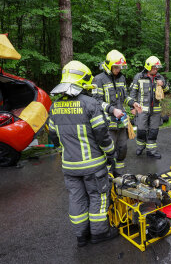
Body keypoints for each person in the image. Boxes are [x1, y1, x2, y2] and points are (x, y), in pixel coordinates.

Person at [48, 61, 118, 247]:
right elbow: (102, 135)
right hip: (93, 165)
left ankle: (81, 236)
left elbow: (53, 137)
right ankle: (99, 233)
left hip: (69, 166)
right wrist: (111, 152)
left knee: (76, 198)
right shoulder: (90, 104)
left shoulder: (54, 107)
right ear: (83, 82)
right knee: (98, 196)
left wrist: (64, 152)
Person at [92, 50, 141, 176]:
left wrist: (133, 103)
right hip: (107, 124)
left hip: (121, 123)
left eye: (120, 67)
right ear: (108, 66)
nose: (118, 69)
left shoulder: (122, 78)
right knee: (108, 152)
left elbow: (125, 97)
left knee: (122, 149)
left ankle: (119, 174)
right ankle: (107, 176)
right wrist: (112, 110)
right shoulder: (98, 79)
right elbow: (96, 101)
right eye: (116, 67)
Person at [130, 56, 168, 159]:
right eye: (153, 67)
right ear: (148, 67)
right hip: (142, 109)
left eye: (157, 68)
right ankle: (140, 147)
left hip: (155, 110)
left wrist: (163, 85)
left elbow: (168, 89)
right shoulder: (139, 77)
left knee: (153, 131)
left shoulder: (160, 77)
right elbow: (133, 93)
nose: (156, 69)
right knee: (141, 129)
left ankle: (151, 150)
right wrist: (132, 107)